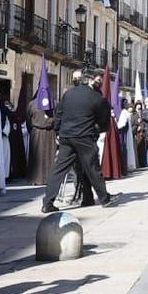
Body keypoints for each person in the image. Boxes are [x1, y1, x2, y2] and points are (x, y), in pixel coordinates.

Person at [47, 69, 114, 211]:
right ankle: (104, 198)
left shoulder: (68, 94)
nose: (99, 83)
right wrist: (97, 131)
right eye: (97, 80)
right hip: (84, 137)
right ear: (90, 80)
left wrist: (58, 132)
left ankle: (48, 202)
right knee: (92, 168)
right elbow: (104, 121)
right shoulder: (96, 97)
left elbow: (58, 114)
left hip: (66, 136)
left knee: (59, 169)